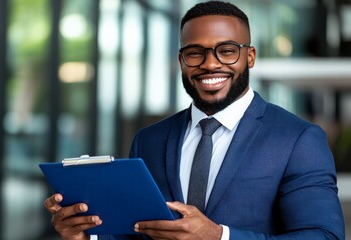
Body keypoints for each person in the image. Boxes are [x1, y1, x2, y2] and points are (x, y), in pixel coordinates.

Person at [44, 1, 345, 239]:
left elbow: (324, 235)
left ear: (249, 57)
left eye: (226, 51)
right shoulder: (149, 139)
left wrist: (219, 236)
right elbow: (135, 233)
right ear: (181, 60)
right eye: (195, 53)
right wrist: (84, 235)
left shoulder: (297, 139)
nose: (210, 63)